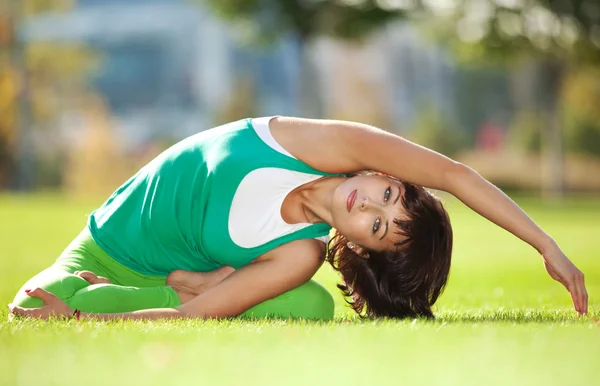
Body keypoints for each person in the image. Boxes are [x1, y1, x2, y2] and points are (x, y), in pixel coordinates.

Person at [8, 116, 588, 321]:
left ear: (360, 247)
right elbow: (457, 175)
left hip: (153, 285)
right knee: (35, 300)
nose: (373, 206)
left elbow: (193, 319)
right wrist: (546, 246)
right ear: (382, 172)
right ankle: (171, 283)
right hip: (103, 249)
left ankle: (161, 286)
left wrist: (89, 316)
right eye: (389, 193)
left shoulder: (299, 253)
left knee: (309, 302)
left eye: (380, 228)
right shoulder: (322, 142)